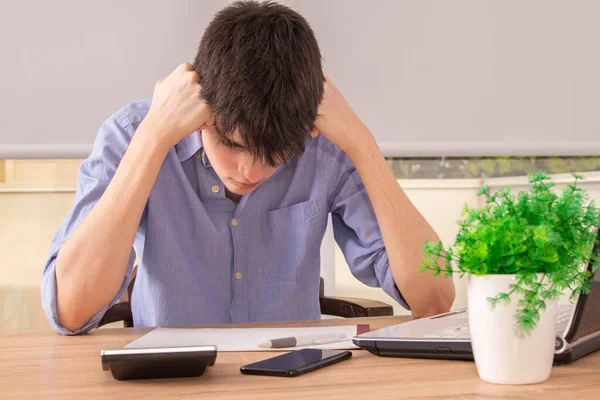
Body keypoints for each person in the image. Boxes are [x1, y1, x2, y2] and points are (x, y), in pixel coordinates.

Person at [41, 0, 455, 335]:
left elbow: (433, 299)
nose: (249, 171)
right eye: (231, 144)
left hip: (291, 379)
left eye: (276, 155)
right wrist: (152, 140)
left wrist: (363, 144)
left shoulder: (326, 145)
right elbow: (71, 310)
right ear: (201, 106)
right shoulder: (132, 134)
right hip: (170, 386)